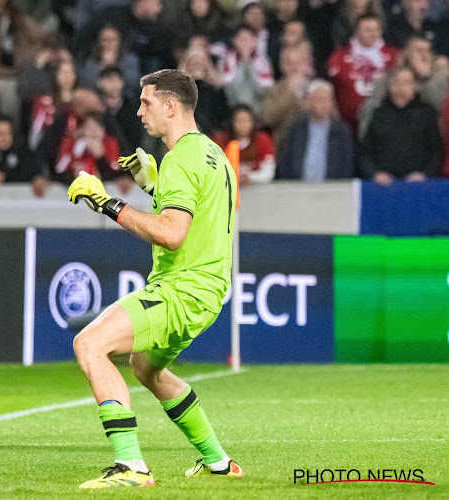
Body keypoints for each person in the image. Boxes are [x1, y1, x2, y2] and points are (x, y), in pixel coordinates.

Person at [66, 69, 242, 488]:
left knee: (89, 344)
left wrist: (107, 203)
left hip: (182, 288)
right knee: (146, 368)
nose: (139, 110)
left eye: (146, 102)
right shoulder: (214, 154)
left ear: (170, 106)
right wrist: (154, 188)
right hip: (208, 290)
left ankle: (132, 466)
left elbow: (171, 233)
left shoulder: (181, 156)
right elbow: (193, 215)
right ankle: (218, 462)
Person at [361, 66, 442, 184]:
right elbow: (365, 150)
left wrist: (425, 174)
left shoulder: (426, 114)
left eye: (413, 82)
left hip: (419, 184)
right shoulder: (377, 114)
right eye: (407, 82)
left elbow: (436, 150)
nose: (412, 86)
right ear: (393, 87)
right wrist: (374, 173)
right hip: (383, 184)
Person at [276, 79, 356, 181]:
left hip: (332, 189)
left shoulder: (341, 131)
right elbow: (285, 160)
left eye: (326, 100)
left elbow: (347, 165)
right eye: (318, 100)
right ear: (308, 102)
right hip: (297, 189)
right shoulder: (296, 128)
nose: (322, 105)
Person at [212, 104, 276, 187]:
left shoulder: (262, 140)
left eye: (246, 121)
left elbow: (268, 174)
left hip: (257, 190)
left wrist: (249, 178)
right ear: (231, 122)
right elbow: (211, 171)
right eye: (239, 121)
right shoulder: (219, 141)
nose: (243, 125)